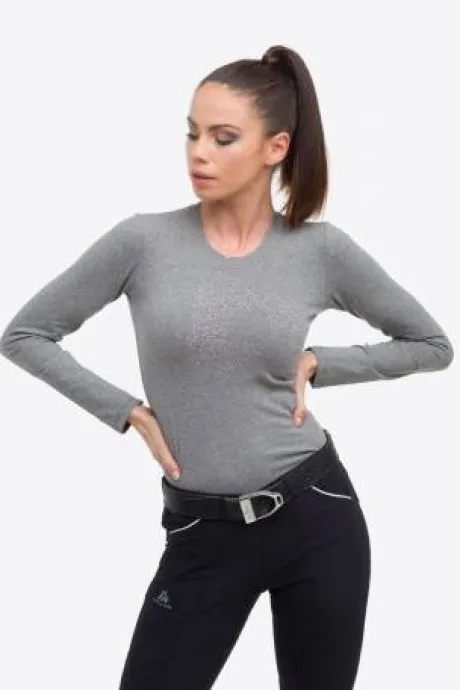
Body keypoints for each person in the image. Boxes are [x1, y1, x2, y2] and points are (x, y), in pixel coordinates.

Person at [0, 44, 454, 690]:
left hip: (317, 514)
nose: (199, 153)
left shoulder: (320, 250)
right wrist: (127, 412)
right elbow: (25, 334)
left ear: (275, 147)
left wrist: (321, 362)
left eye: (223, 137)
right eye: (192, 133)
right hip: (202, 531)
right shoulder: (142, 242)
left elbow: (431, 344)